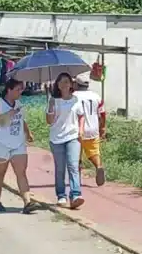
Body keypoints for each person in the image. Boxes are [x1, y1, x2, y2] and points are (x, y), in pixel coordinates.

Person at [0, 78, 37, 214]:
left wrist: (28, 132)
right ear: (9, 90)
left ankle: (27, 202)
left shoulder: (19, 104)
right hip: (1, 143)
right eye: (18, 89)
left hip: (18, 143)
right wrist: (7, 115)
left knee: (21, 172)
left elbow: (22, 120)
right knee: (0, 173)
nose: (20, 92)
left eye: (22, 89)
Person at [47, 73, 85, 209]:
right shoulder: (53, 100)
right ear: (57, 85)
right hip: (57, 138)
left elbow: (81, 116)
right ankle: (61, 195)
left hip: (73, 137)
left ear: (71, 85)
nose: (64, 84)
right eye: (61, 82)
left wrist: (81, 130)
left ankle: (75, 194)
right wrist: (51, 109)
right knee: (60, 169)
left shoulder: (76, 100)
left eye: (67, 82)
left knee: (73, 166)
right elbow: (49, 122)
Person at [73, 73, 107, 186]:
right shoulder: (96, 96)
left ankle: (76, 179)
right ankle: (99, 166)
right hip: (93, 129)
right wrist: (102, 127)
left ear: (76, 84)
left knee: (76, 155)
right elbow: (102, 114)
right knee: (94, 152)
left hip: (78, 130)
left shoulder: (73, 96)